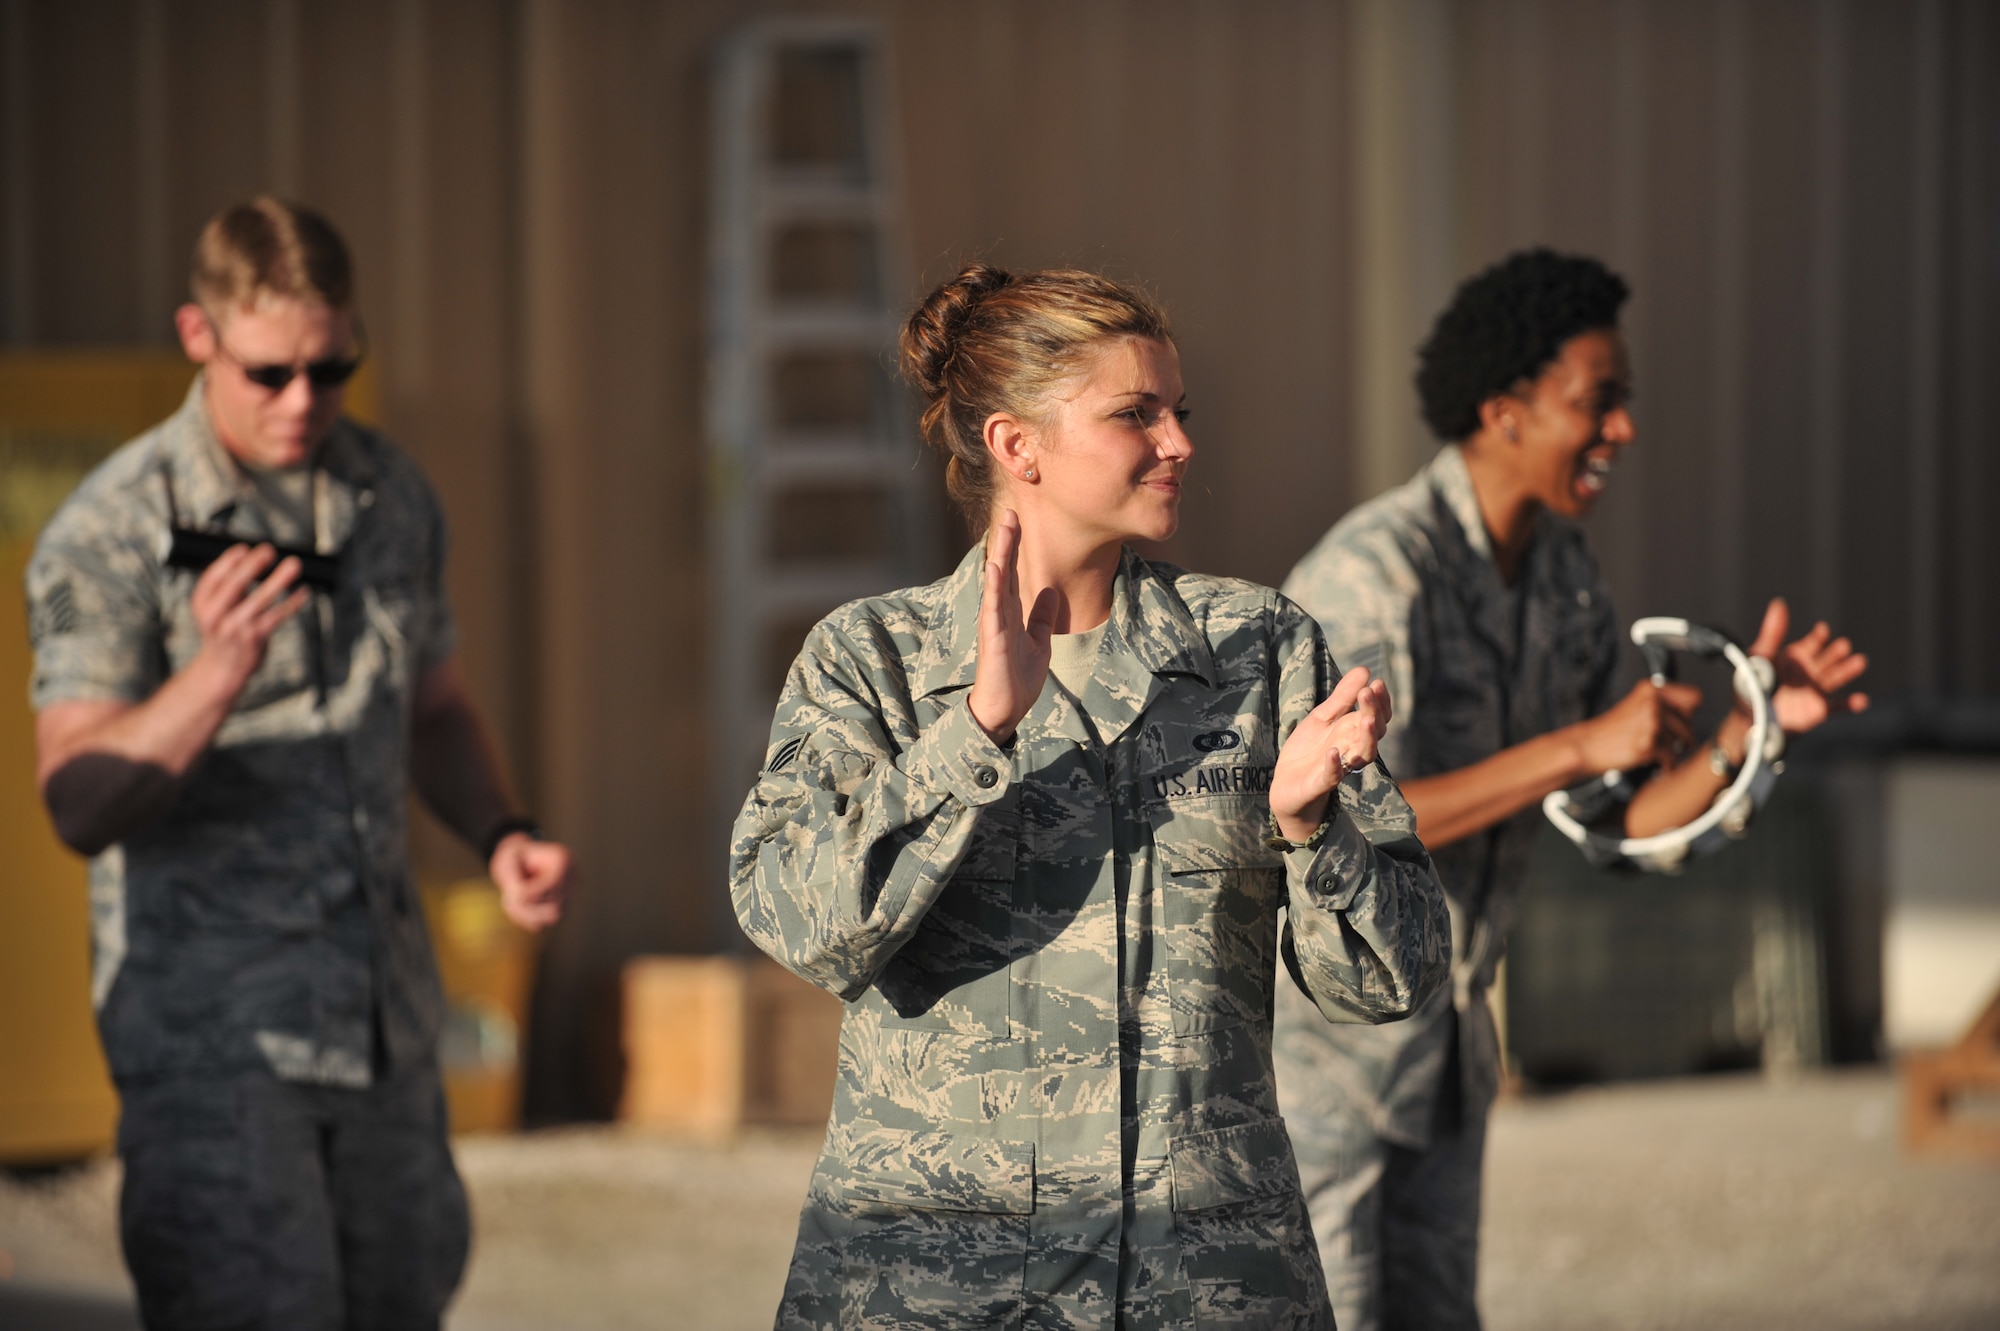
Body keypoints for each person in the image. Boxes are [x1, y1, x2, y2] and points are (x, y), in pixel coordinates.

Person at [728, 264, 1452, 1330]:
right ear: (1015, 445)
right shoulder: (871, 662)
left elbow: (1393, 979)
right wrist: (972, 734)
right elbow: (806, 923)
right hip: (932, 1290)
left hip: (1203, 1285)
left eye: (1179, 411)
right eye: (1135, 414)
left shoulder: (1257, 651)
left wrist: (1313, 829)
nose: (1179, 443)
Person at [1270, 248, 1870, 1331]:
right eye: (1598, 401)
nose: (1623, 430)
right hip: (1327, 1063)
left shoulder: (1563, 576)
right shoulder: (1374, 572)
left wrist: (1746, 728)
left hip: (1449, 1052)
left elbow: (1619, 815)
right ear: (1503, 410)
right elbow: (1350, 823)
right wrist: (1575, 745)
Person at [25, 197, 572, 1330]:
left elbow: (435, 709)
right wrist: (214, 673)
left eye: (332, 369)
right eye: (270, 373)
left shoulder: (386, 495)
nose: (303, 401)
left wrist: (501, 831)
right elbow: (76, 796)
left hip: (382, 1028)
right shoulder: (114, 528)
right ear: (198, 336)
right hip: (220, 1051)